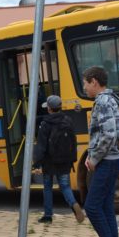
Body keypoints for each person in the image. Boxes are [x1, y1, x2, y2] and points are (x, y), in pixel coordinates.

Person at [82, 66, 119, 237]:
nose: (84, 87)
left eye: (85, 83)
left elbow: (108, 135)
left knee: (91, 207)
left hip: (108, 161)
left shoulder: (103, 102)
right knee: (106, 206)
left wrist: (94, 157)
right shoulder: (109, 100)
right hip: (111, 160)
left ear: (94, 82)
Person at [32, 95, 85, 224]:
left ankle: (48, 215)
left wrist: (37, 163)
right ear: (60, 107)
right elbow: (73, 141)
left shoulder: (45, 124)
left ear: (49, 108)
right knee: (65, 186)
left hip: (49, 162)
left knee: (48, 187)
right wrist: (72, 159)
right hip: (64, 161)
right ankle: (73, 204)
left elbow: (41, 145)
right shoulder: (68, 120)